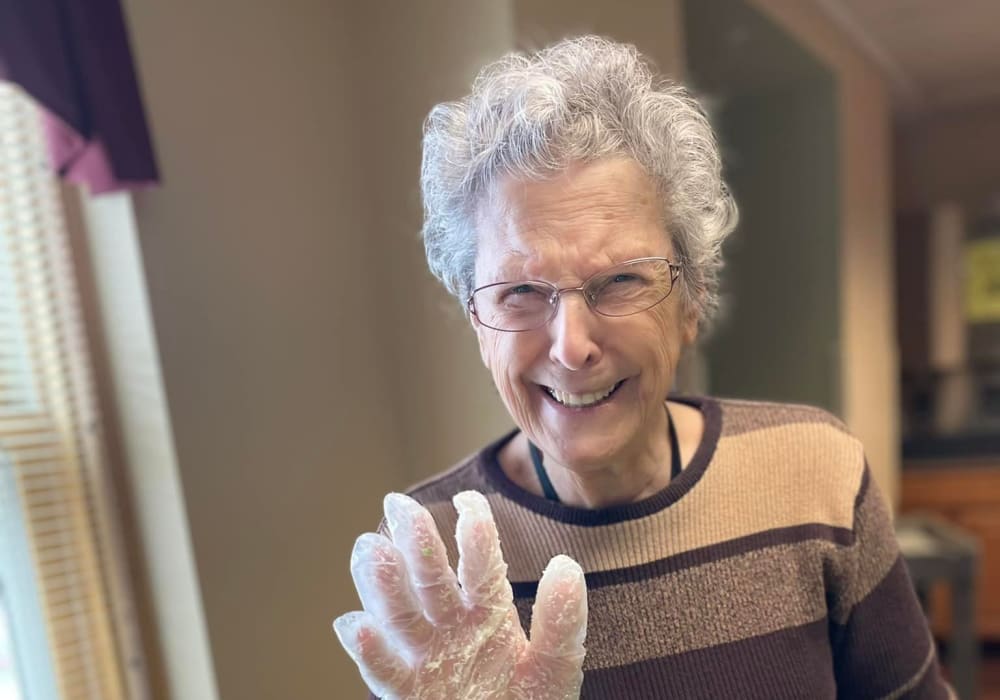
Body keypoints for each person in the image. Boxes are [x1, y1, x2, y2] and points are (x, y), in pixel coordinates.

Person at [334, 36, 953, 699]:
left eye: (622, 280)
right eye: (520, 292)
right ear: (476, 320)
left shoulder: (817, 475)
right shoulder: (441, 564)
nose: (572, 347)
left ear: (692, 301)